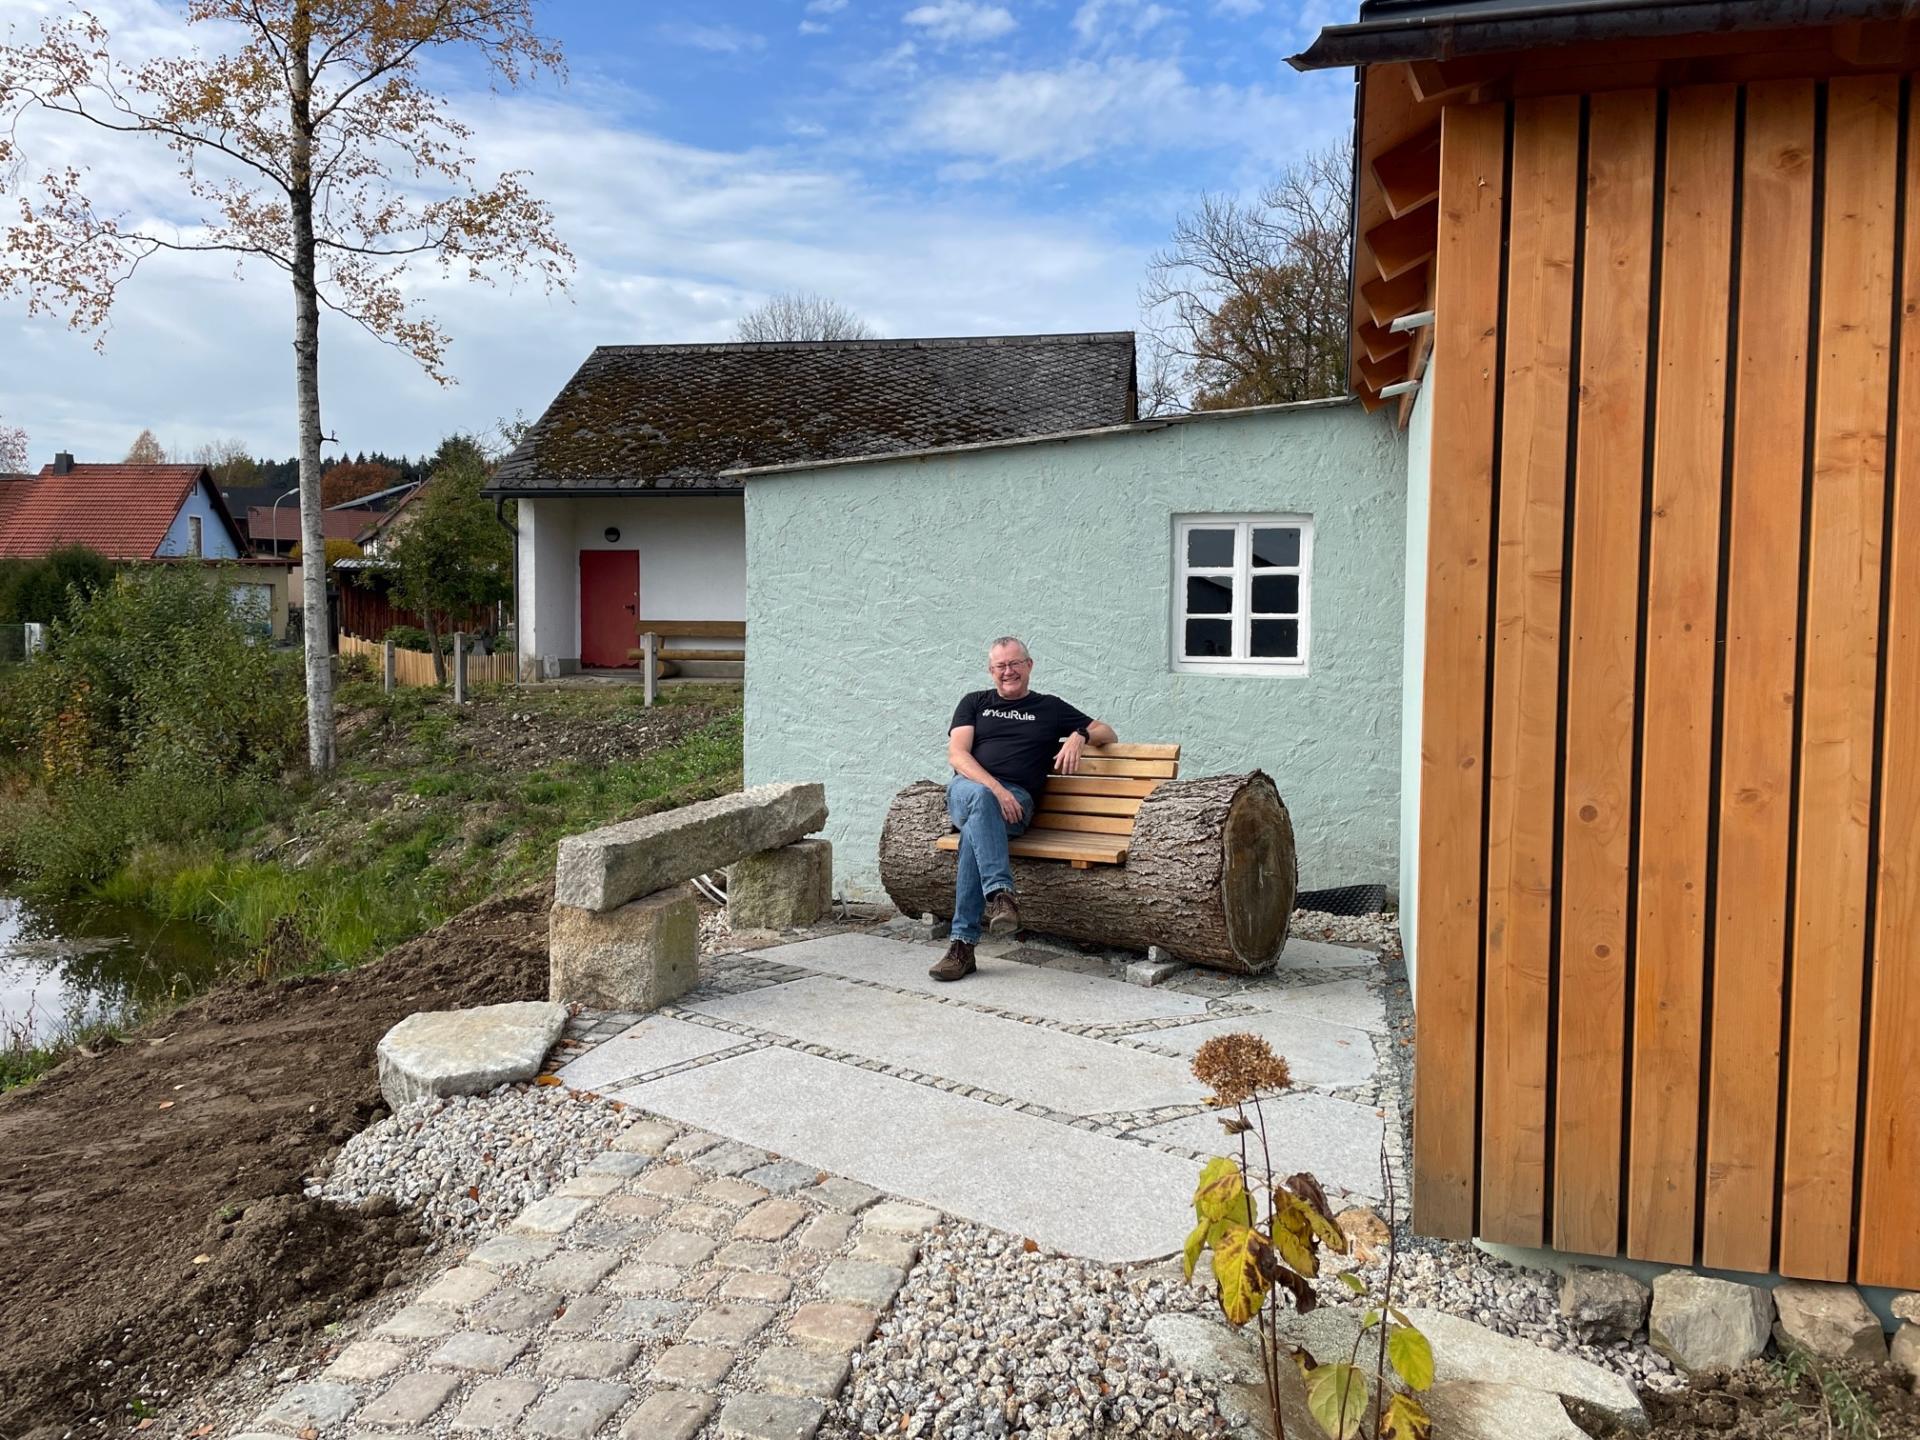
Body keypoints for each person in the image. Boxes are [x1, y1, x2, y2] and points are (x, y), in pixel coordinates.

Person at [932, 636, 1117, 981]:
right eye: (1000, 666)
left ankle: (962, 947)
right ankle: (1001, 893)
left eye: (1015, 663)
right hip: (969, 791)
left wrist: (1080, 734)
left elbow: (1108, 732)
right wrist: (996, 790)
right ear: (991, 671)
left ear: (1029, 665)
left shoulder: (1049, 707)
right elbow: (957, 755)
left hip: (1017, 804)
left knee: (974, 832)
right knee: (981, 801)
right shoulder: (974, 702)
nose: (1008, 671)